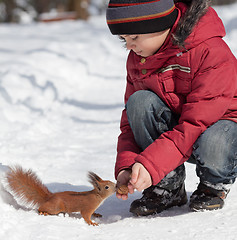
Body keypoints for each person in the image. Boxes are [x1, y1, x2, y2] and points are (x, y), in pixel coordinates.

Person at [106, 0, 237, 216]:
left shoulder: (210, 52)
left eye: (134, 37)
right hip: (179, 134)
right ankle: (168, 187)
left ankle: (214, 185)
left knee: (216, 140)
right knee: (139, 102)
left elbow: (196, 123)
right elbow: (130, 123)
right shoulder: (139, 59)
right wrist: (127, 165)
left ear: (159, 25)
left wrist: (151, 165)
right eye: (124, 40)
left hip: (218, 128)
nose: (129, 46)